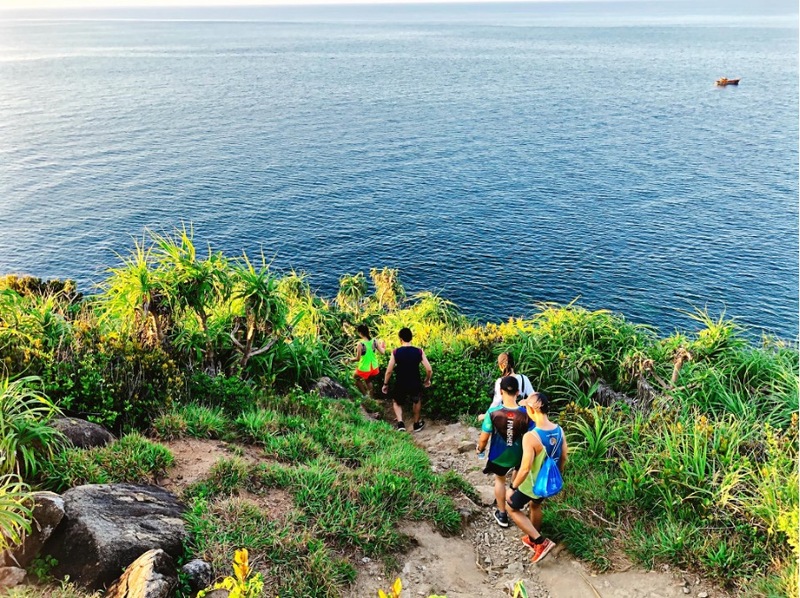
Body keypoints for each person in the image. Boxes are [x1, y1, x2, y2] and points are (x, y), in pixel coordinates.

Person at [505, 391, 568, 564]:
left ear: (532, 411)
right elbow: (564, 457)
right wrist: (558, 476)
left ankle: (541, 542)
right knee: (535, 505)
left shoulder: (531, 437)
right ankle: (533, 538)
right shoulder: (559, 430)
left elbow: (525, 469)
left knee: (511, 507)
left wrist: (512, 488)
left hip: (532, 483)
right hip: (547, 482)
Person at [475, 376, 531, 528]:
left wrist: (480, 449)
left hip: (498, 456)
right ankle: (512, 503)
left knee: (500, 480)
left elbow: (484, 438)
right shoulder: (526, 414)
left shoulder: (493, 413)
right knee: (514, 480)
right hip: (519, 456)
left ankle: (502, 514)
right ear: (518, 392)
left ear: (501, 391)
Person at [381, 327, 432, 432]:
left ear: (400, 339)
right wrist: (427, 380)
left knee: (396, 401)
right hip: (415, 382)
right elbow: (429, 369)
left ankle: (400, 423)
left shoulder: (396, 352)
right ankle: (416, 424)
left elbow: (389, 371)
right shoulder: (419, 351)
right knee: (416, 400)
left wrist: (385, 384)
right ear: (411, 338)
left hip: (401, 382)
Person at [478, 352, 535, 423]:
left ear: (501, 365)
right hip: (520, 417)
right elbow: (534, 397)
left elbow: (496, 403)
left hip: (504, 418)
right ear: (513, 364)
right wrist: (525, 402)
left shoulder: (500, 381)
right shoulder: (524, 378)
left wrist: (485, 415)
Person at [353, 324, 385, 397]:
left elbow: (357, 359)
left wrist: (350, 360)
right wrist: (383, 346)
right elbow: (382, 352)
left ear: (360, 333)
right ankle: (371, 398)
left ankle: (365, 396)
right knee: (368, 381)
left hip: (365, 367)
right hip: (374, 367)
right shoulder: (374, 341)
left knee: (355, 378)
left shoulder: (360, 344)